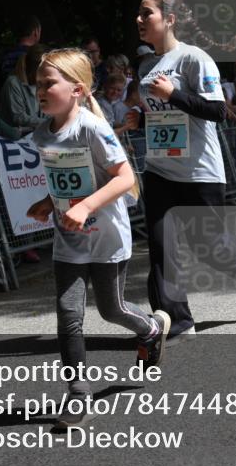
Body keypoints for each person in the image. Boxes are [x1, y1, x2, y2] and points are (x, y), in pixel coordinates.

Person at [26, 48, 169, 427]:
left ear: (77, 89)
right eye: (38, 84)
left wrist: (86, 206)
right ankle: (77, 393)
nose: (39, 90)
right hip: (68, 239)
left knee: (111, 310)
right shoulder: (42, 133)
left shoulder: (91, 126)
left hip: (106, 235)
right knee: (69, 317)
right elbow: (67, 179)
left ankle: (151, 328)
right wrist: (47, 201)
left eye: (48, 83)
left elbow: (125, 179)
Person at [135, 0, 236, 339]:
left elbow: (217, 111)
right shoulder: (145, 66)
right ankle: (177, 322)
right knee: (163, 248)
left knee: (208, 246)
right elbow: (157, 115)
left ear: (169, 19)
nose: (138, 20)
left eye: (145, 13)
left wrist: (173, 95)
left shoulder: (194, 59)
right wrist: (141, 118)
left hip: (199, 171)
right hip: (160, 169)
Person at [0, 43, 46, 133]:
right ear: (36, 69)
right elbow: (19, 117)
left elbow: (47, 112)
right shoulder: (13, 83)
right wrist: (50, 123)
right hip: (14, 139)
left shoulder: (41, 84)